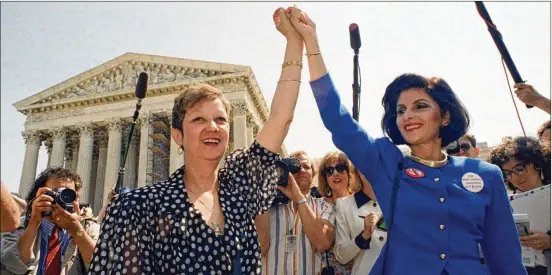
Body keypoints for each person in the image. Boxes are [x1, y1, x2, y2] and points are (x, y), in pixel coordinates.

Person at [284, 6, 527, 274]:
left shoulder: (486, 175)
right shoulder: (386, 162)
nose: (408, 115)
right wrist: (312, 44)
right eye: (401, 110)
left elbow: (507, 259)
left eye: (420, 106)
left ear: (444, 116)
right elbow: (337, 120)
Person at [88, 7, 303, 274]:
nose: (212, 127)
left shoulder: (241, 191)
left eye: (220, 120)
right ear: (177, 135)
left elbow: (280, 118)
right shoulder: (137, 207)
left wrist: (294, 42)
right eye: (198, 120)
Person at [1, 167, 100, 275]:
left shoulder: (88, 228)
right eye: (55, 193)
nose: (62, 199)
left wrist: (76, 230)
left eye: (68, 194)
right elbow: (13, 264)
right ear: (38, 195)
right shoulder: (17, 225)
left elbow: (99, 264)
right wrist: (33, 223)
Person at [256, 151, 336, 275]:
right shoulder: (267, 206)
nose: (302, 171)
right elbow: (261, 248)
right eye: (296, 168)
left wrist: (298, 197)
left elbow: (322, 243)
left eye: (306, 167)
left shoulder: (324, 206)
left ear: (313, 173)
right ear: (286, 172)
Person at [488, 136, 551, 275]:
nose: (515, 178)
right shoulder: (503, 202)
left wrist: (549, 242)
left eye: (520, 169)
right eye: (508, 174)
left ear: (538, 164)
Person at [316, 151, 361, 274]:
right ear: (324, 177)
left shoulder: (361, 201)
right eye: (329, 171)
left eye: (341, 168)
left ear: (349, 172)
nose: (335, 173)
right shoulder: (318, 205)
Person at [334, 167, 385, 275]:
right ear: (357, 171)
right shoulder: (344, 205)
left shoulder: (400, 201)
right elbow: (341, 256)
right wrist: (363, 237)